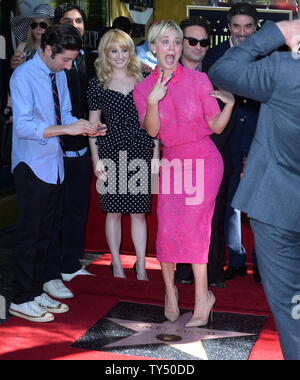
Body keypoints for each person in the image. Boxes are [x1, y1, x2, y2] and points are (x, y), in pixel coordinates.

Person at [209, 18, 300, 361]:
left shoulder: (286, 71)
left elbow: (223, 69)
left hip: (276, 205)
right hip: (275, 206)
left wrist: (277, 33)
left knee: (294, 310)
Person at [133, 20, 234, 326]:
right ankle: (170, 292)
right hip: (173, 163)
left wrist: (228, 106)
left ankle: (203, 297)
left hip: (204, 162)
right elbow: (153, 130)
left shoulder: (199, 81)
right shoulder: (142, 89)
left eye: (177, 43)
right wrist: (153, 100)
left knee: (195, 228)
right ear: (153, 47)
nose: (173, 49)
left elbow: (215, 127)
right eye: (166, 42)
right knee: (166, 229)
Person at [8, 24, 106, 323]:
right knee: (28, 235)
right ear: (48, 50)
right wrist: (67, 127)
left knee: (46, 234)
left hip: (55, 164)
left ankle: (36, 291)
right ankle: (21, 298)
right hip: (30, 165)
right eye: (65, 59)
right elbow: (22, 126)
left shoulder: (60, 74)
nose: (69, 65)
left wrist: (85, 126)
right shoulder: (23, 76)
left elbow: (64, 114)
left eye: (72, 60)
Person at [88, 29, 157, 281]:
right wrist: (96, 162)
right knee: (114, 212)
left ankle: (140, 266)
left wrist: (156, 153)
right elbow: (93, 126)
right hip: (109, 152)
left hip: (140, 150)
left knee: (139, 212)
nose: (120, 56)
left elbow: (153, 120)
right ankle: (116, 264)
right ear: (105, 53)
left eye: (124, 50)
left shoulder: (144, 79)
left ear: (131, 51)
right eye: (114, 50)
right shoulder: (98, 83)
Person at [204, 3, 261, 282]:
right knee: (228, 204)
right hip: (224, 139)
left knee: (262, 206)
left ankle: (262, 264)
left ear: (256, 26)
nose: (242, 32)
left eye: (248, 26)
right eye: (237, 26)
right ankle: (235, 258)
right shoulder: (213, 57)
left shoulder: (269, 56)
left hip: (260, 140)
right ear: (229, 27)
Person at [175, 17, 233, 288]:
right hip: (178, 159)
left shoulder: (218, 76)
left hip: (213, 157)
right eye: (193, 41)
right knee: (181, 216)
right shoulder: (167, 76)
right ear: (181, 42)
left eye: (204, 42)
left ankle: (213, 271)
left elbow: (227, 119)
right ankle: (183, 269)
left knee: (214, 215)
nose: (199, 47)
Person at [42, 3, 95, 300]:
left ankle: (70, 264)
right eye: (68, 21)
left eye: (79, 21)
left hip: (81, 150)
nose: (75, 25)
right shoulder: (47, 66)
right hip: (54, 150)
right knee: (55, 215)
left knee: (77, 211)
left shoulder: (88, 60)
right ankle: (51, 273)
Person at [10, 4, 54, 69]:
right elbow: (15, 70)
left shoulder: (56, 48)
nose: (38, 28)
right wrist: (15, 64)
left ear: (51, 27)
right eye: (34, 25)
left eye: (43, 25)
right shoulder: (23, 47)